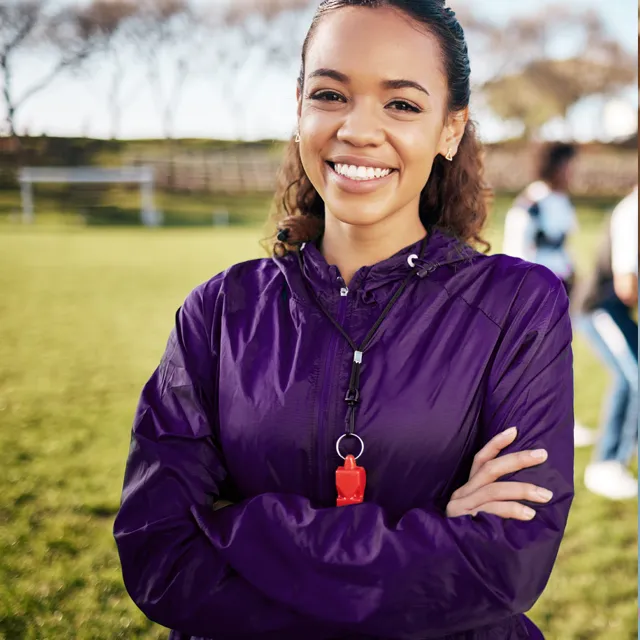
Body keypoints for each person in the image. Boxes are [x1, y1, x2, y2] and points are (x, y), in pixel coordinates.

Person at [113, 2, 574, 639]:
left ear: (450, 128)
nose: (358, 130)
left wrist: (237, 526)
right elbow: (159, 554)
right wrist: (439, 531)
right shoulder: (218, 312)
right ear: (299, 106)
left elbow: (502, 566)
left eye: (402, 104)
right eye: (331, 94)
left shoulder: (520, 305)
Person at [502, 142, 594, 448]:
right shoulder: (531, 203)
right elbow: (516, 252)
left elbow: (562, 245)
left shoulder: (561, 201)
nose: (573, 172)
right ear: (553, 166)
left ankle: (562, 422)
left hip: (563, 289)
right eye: (569, 165)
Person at [573, 186, 638, 500]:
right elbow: (627, 286)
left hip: (617, 310)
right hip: (600, 309)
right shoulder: (632, 211)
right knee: (633, 377)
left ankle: (628, 446)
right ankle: (606, 465)